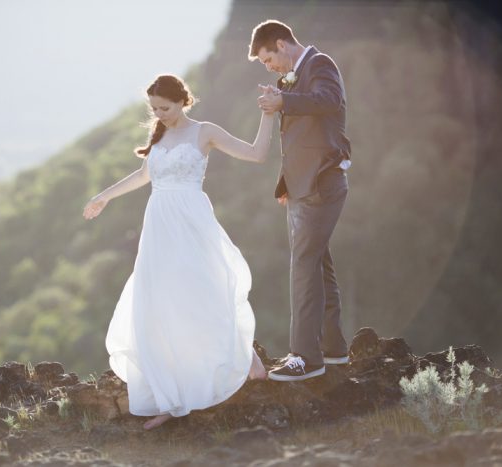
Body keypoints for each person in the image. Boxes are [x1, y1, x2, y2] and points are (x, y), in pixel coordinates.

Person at [83, 74, 274, 430]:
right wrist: (103, 196)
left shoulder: (204, 131)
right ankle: (169, 397)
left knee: (204, 291)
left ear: (183, 101)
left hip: (191, 222)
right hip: (158, 228)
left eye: (165, 108)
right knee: (158, 304)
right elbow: (143, 176)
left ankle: (247, 362)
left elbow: (257, 154)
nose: (159, 114)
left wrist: (268, 114)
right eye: (153, 108)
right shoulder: (160, 135)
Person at [250, 20, 352, 382]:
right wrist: (286, 184)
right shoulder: (290, 79)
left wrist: (283, 100)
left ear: (281, 43)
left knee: (303, 264)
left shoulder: (320, 64)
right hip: (301, 186)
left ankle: (305, 358)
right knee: (318, 264)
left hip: (324, 182)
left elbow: (329, 101)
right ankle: (335, 351)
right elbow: (295, 142)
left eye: (268, 59)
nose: (270, 67)